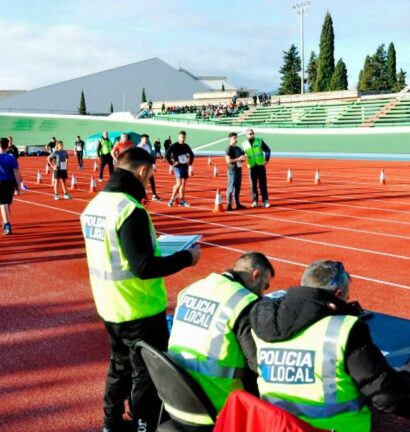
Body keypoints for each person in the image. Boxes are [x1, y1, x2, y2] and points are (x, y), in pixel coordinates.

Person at [80, 147, 200, 432]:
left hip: (110, 303)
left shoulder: (96, 204)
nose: (149, 182)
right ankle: (143, 426)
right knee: (146, 373)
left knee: (119, 366)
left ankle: (110, 423)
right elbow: (143, 267)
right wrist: (187, 258)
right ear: (142, 171)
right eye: (150, 175)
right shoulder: (130, 209)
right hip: (140, 306)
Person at [245, 260, 410, 431]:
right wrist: (407, 376)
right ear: (337, 294)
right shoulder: (344, 330)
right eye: (347, 296)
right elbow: (390, 398)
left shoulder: (262, 322)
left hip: (277, 426)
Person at [167, 252, 275, 428]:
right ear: (256, 276)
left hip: (174, 397)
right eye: (266, 285)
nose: (263, 293)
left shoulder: (192, 289)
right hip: (216, 407)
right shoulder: (244, 302)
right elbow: (258, 363)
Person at [240, 129, 271, 208]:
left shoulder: (259, 140)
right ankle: (255, 201)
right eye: (250, 134)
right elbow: (241, 155)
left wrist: (267, 159)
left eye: (253, 133)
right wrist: (240, 159)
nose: (252, 135)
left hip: (260, 165)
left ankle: (265, 201)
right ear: (246, 135)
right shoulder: (244, 144)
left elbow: (267, 150)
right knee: (253, 185)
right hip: (252, 167)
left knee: (263, 184)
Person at [165, 130, 194, 207]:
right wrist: (172, 164)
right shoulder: (174, 145)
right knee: (179, 183)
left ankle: (182, 200)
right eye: (181, 137)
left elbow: (192, 154)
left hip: (184, 166)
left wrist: (189, 163)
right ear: (178, 137)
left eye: (184, 137)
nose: (182, 139)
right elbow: (167, 154)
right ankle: (171, 199)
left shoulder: (186, 146)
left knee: (183, 184)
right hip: (177, 166)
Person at [225, 132, 246, 210]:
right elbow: (228, 160)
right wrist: (238, 159)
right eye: (234, 138)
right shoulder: (228, 148)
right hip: (232, 170)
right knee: (230, 188)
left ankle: (237, 204)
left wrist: (243, 159)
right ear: (230, 139)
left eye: (236, 138)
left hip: (239, 170)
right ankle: (229, 205)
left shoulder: (238, 148)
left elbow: (242, 159)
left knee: (237, 188)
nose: (236, 139)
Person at [136, 134, 161, 201]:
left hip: (148, 165)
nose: (146, 140)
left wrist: (154, 164)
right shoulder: (138, 147)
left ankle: (154, 195)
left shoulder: (147, 146)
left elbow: (150, 156)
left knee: (151, 180)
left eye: (147, 139)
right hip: (141, 166)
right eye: (144, 139)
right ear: (141, 139)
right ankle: (141, 195)